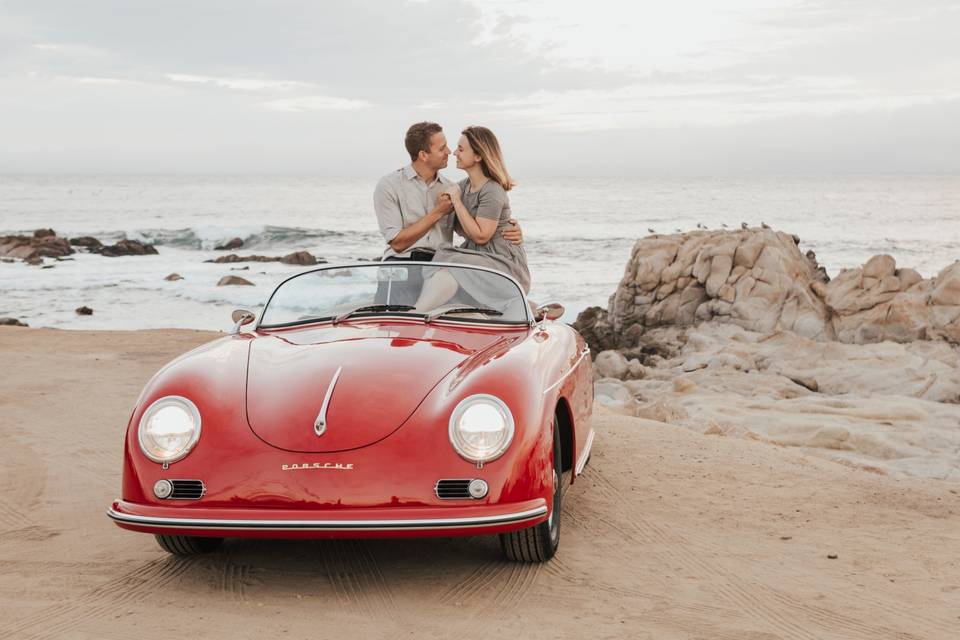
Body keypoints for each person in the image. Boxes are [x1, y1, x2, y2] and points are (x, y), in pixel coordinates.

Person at [414, 126, 530, 312]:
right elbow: (462, 229)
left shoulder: (492, 190)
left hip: (502, 266)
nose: (454, 153)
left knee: (450, 260)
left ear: (478, 156)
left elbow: (481, 236)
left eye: (461, 149)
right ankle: (419, 312)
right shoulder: (462, 186)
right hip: (478, 259)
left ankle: (417, 313)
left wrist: (457, 202)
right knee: (445, 263)